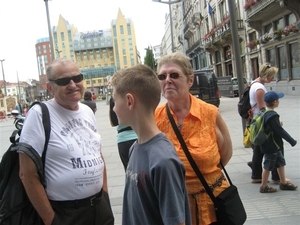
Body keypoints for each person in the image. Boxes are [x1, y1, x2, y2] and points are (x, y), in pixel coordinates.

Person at [18, 58, 114, 225]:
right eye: (63, 81)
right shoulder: (39, 114)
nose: (72, 84)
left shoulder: (87, 111)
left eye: (77, 78)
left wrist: (104, 194)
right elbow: (27, 174)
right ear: (50, 87)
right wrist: (51, 220)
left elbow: (98, 154)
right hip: (66, 214)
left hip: (100, 209)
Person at [155, 52, 233, 225]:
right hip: (174, 207)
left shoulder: (209, 113)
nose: (167, 80)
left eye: (174, 75)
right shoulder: (156, 117)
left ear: (190, 80)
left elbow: (226, 153)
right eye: (162, 76)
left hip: (213, 204)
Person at [111, 64, 191, 225]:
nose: (113, 108)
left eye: (114, 101)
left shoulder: (163, 161)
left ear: (129, 101)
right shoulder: (136, 147)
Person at [260, 91, 297, 193]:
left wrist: (277, 126)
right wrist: (291, 141)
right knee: (268, 165)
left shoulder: (265, 112)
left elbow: (271, 128)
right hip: (272, 145)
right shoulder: (272, 115)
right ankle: (263, 186)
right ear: (275, 102)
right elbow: (280, 131)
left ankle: (283, 182)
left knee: (281, 162)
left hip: (273, 145)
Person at [249, 63, 280, 183]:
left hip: (257, 121)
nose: (272, 78)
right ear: (266, 75)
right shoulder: (260, 88)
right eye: (271, 76)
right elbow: (263, 108)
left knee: (258, 150)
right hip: (262, 122)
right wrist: (272, 120)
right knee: (272, 147)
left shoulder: (255, 84)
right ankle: (275, 176)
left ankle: (256, 175)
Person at [108, 94, 137, 171]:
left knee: (129, 172)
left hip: (123, 139)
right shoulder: (134, 94)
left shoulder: (114, 98)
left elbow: (113, 123)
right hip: (138, 136)